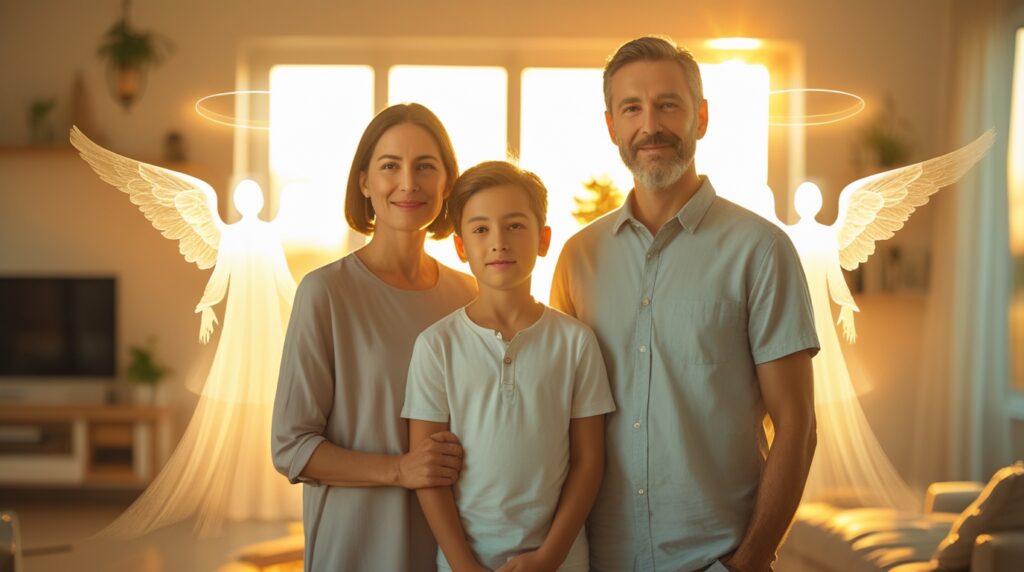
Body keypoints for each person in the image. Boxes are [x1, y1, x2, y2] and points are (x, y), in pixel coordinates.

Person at [550, 36, 820, 572]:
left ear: (700, 117)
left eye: (668, 104)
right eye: (632, 107)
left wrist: (747, 562)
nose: (651, 125)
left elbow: (798, 426)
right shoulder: (578, 258)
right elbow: (556, 421)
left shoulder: (761, 250)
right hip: (597, 558)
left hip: (718, 561)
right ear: (611, 127)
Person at [271, 103, 477, 571]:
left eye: (425, 166)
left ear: (447, 182)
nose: (409, 183)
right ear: (364, 181)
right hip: (355, 548)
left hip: (449, 549)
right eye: (390, 166)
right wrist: (399, 470)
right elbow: (291, 446)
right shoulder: (325, 292)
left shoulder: (468, 295)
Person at [403, 161, 616, 571]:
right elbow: (427, 472)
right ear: (461, 246)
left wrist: (549, 557)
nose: (498, 242)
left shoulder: (576, 343)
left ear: (543, 239)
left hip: (560, 562)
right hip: (464, 563)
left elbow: (590, 462)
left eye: (515, 226)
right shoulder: (436, 346)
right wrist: (465, 566)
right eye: (480, 229)